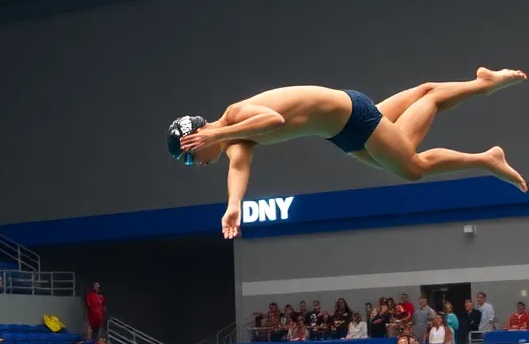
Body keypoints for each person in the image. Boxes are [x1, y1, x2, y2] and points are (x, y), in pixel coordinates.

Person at [168, 69, 529, 239]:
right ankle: (484, 84)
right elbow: (238, 168)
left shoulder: (235, 118)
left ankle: (487, 159)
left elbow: (273, 119)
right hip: (342, 132)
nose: (197, 162)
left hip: (352, 115)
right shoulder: (236, 138)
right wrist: (233, 205)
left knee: (413, 166)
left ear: (200, 134)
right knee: (422, 91)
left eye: (190, 155)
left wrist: (216, 131)